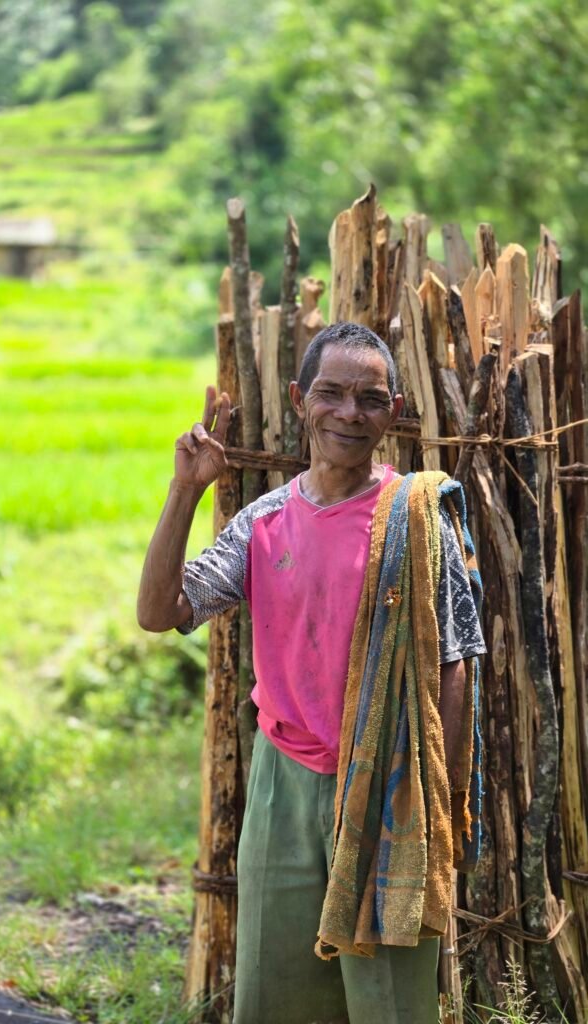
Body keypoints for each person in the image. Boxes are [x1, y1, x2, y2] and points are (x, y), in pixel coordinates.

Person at [137, 321, 486, 1024]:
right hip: (282, 789)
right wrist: (185, 493)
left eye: (369, 398)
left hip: (392, 789)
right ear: (300, 400)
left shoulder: (418, 520)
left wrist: (438, 803)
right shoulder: (265, 523)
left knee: (392, 1004)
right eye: (331, 393)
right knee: (277, 998)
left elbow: (454, 663)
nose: (349, 414)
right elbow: (159, 610)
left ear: (392, 411)